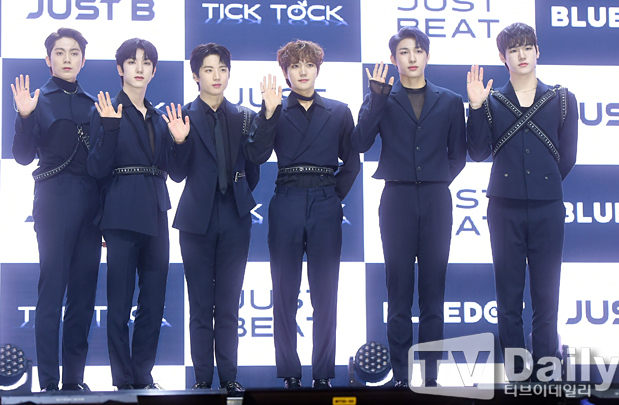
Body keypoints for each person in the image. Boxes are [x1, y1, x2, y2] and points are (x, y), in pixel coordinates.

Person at [351, 26, 466, 388]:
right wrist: (376, 99)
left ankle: (430, 378)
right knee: (398, 294)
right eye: (404, 51)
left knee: (433, 294)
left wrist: (435, 179)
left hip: (436, 199)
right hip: (396, 200)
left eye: (418, 50)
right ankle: (401, 378)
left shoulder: (450, 100)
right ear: (393, 58)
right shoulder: (381, 97)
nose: (412, 57)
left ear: (427, 56)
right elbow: (359, 142)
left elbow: (459, 154)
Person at [245, 39, 360, 389]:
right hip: (287, 198)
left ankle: (323, 374)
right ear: (285, 73)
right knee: (284, 291)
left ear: (318, 69)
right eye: (295, 66)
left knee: (326, 291)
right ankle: (290, 373)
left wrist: (332, 196)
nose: (303, 71)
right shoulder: (275, 109)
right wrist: (268, 114)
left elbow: (352, 163)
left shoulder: (339, 111)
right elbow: (257, 155)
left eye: (308, 64)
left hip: (325, 200)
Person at [466, 22, 578, 381]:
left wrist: (542, 185)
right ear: (503, 57)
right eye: (513, 49)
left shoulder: (563, 99)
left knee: (547, 295)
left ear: (537, 51)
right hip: (504, 208)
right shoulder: (492, 101)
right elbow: (478, 153)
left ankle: (546, 371)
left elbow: (568, 156)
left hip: (548, 208)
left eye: (527, 47)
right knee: (509, 297)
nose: (522, 55)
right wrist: (475, 107)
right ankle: (516, 373)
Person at [87, 38, 189, 390]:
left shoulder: (159, 118)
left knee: (154, 301)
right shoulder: (105, 110)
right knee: (119, 304)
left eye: (146, 62)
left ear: (154, 70)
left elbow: (177, 173)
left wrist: (180, 141)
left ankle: (143, 375)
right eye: (132, 61)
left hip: (157, 211)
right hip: (120, 212)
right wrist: (109, 129)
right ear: (120, 68)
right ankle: (123, 379)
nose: (140, 68)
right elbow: (96, 168)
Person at [165, 43, 259, 397]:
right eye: (208, 69)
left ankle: (229, 377)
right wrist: (179, 142)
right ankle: (203, 379)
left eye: (222, 68)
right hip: (195, 220)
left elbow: (252, 172)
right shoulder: (182, 116)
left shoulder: (245, 117)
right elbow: (176, 174)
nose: (216, 76)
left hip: (235, 217)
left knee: (230, 304)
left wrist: (235, 194)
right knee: (201, 305)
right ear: (195, 75)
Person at [11, 28, 100, 393]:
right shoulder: (37, 100)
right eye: (59, 52)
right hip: (53, 198)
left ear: (83, 59)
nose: (67, 58)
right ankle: (48, 381)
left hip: (91, 203)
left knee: (83, 294)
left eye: (74, 52)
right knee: (52, 292)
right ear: (48, 59)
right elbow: (21, 157)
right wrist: (25, 116)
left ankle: (74, 379)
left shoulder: (94, 104)